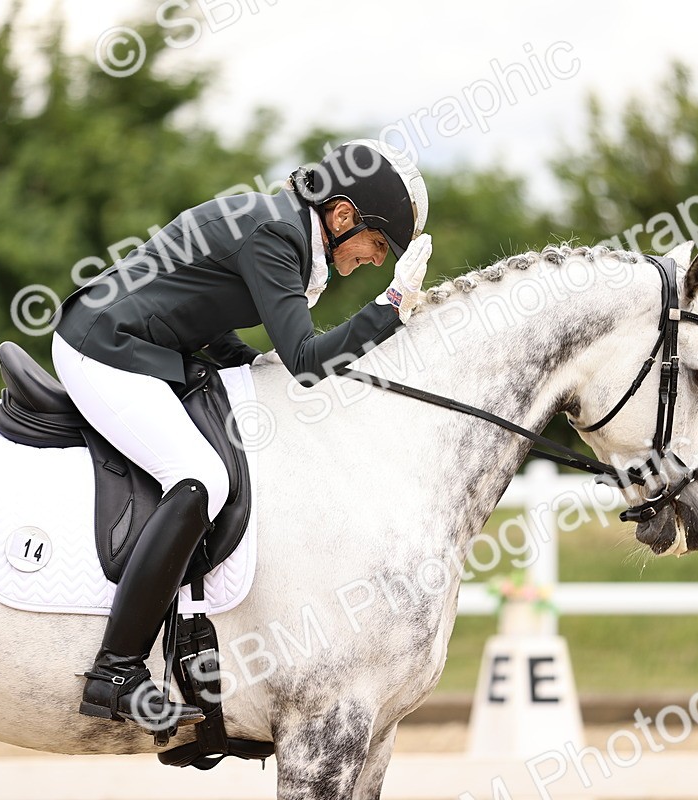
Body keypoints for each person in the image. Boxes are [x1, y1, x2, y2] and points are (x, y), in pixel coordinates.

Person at [50, 139, 432, 731]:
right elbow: (306, 359)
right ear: (341, 215)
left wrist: (251, 361)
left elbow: (208, 311)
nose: (377, 260)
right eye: (377, 244)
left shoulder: (277, 223)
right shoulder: (274, 234)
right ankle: (115, 670)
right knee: (199, 477)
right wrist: (392, 307)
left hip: (143, 343)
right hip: (103, 346)